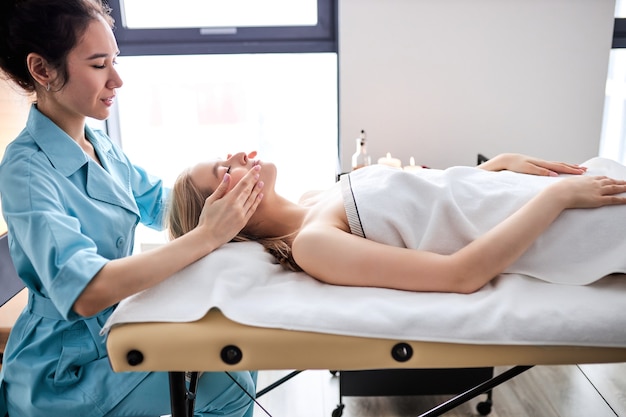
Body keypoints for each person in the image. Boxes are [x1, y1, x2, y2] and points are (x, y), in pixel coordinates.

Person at [0, 1, 264, 416]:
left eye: (115, 61)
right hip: (65, 371)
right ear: (43, 70)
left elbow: (162, 204)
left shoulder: (98, 144)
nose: (117, 79)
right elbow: (86, 291)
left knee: (236, 362)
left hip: (109, 336)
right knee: (229, 381)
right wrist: (208, 234)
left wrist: (222, 180)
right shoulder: (26, 172)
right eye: (99, 65)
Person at [168, 152, 626, 293]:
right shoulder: (314, 244)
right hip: (566, 222)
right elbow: (460, 275)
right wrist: (558, 200)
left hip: (543, 195)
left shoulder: (317, 197)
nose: (237, 156)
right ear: (224, 213)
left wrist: (496, 167)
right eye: (222, 171)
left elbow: (430, 202)